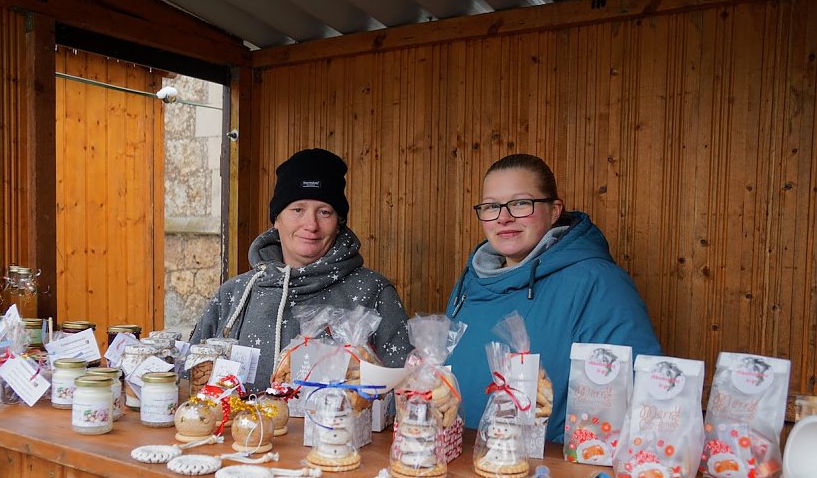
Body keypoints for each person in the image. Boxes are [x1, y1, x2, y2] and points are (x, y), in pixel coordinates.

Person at [446, 153, 662, 442]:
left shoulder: (597, 283)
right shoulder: (469, 282)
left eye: (521, 203)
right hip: (459, 467)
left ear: (555, 209)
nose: (503, 217)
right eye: (491, 206)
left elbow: (636, 397)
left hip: (546, 476)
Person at [191, 148, 413, 390]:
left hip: (339, 428)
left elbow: (405, 392)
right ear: (277, 219)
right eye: (298, 209)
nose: (311, 225)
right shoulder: (234, 294)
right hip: (239, 427)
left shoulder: (373, 292)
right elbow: (191, 379)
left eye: (324, 212)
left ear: (338, 224)